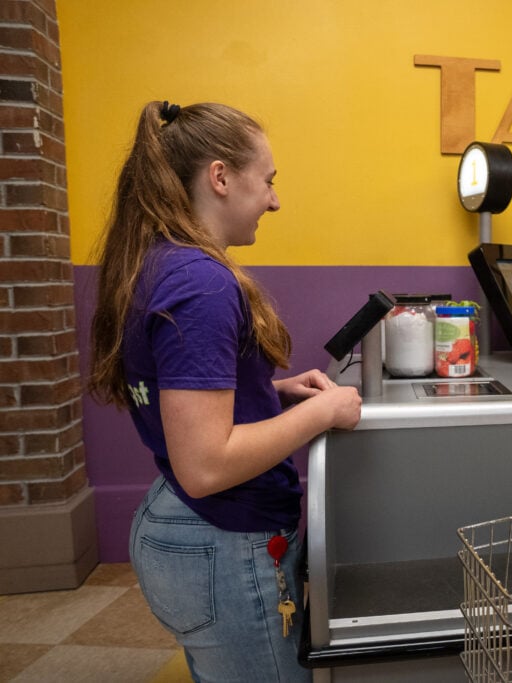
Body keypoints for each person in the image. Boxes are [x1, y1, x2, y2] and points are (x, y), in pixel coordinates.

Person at [88, 101, 362, 682]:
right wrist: (326, 411)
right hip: (222, 542)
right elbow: (206, 465)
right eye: (267, 181)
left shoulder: (161, 262)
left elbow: (184, 396)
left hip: (184, 525)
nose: (274, 199)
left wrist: (273, 392)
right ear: (220, 177)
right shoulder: (203, 283)